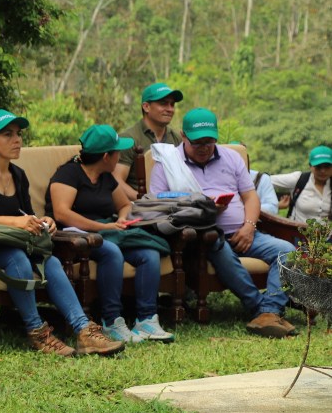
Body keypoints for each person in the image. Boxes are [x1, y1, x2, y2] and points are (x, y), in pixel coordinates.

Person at [0, 109, 125, 357]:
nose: (17, 140)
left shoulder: (18, 175)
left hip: (15, 242)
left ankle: (84, 330)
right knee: (18, 258)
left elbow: (25, 213)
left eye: (19, 134)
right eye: (8, 134)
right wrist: (15, 222)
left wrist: (43, 221)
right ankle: (37, 332)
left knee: (51, 261)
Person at [150, 108, 297, 337]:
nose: (204, 148)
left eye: (209, 141)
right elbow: (157, 205)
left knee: (287, 250)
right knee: (217, 245)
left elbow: (250, 197)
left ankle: (268, 312)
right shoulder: (168, 163)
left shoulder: (231, 157)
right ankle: (264, 311)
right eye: (197, 142)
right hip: (202, 236)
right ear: (183, 136)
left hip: (243, 232)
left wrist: (249, 226)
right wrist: (201, 207)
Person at [48, 124, 175, 343]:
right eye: (117, 152)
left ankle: (146, 320)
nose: (120, 155)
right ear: (107, 156)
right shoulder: (68, 174)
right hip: (74, 238)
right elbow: (62, 214)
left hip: (109, 231)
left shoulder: (106, 177)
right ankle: (111, 321)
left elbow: (124, 205)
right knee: (112, 252)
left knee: (149, 252)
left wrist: (124, 217)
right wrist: (104, 227)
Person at [114, 82, 184, 201]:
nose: (170, 109)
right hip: (139, 208)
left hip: (174, 206)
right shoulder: (128, 139)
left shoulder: (176, 138)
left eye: (172, 104)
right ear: (146, 107)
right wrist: (145, 201)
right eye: (163, 103)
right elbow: (116, 180)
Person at [271, 145, 332, 222]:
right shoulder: (299, 179)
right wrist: (273, 205)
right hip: (297, 232)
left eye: (327, 166)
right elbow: (264, 180)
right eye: (318, 167)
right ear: (310, 166)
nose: (323, 171)